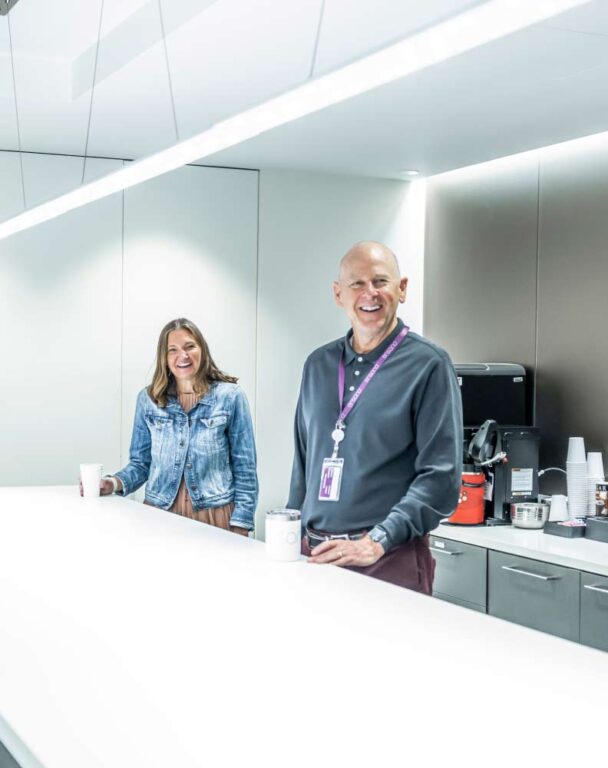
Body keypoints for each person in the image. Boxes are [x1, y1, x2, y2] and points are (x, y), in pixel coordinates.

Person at [287, 241, 462, 594]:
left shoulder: (429, 365)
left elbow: (441, 478)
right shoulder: (318, 365)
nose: (370, 293)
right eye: (357, 284)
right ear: (338, 294)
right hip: (315, 555)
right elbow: (304, 463)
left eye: (381, 281)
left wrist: (378, 540)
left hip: (386, 560)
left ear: (402, 289)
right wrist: (291, 532)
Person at [87, 318, 258, 536]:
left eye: (189, 347)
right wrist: (112, 483)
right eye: (173, 350)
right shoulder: (148, 399)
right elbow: (141, 464)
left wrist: (241, 523)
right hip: (159, 515)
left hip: (216, 516)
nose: (183, 356)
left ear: (202, 350)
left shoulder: (231, 397)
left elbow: (245, 468)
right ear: (164, 358)